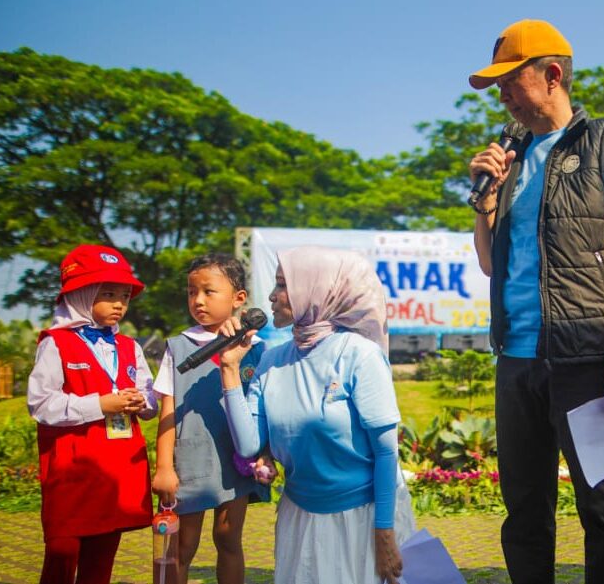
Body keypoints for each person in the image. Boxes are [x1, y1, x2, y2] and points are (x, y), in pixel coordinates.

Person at [467, 18, 604, 584]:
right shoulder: (512, 157)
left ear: (552, 74)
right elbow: (491, 263)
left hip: (586, 360)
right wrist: (484, 202)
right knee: (524, 510)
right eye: (497, 85)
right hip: (517, 359)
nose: (502, 95)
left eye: (511, 80)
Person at [218, 246, 416, 584]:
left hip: (363, 517)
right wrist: (229, 368)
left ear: (315, 290)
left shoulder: (359, 355)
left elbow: (386, 453)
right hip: (300, 517)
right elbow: (249, 445)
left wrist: (384, 532)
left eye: (283, 285)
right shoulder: (272, 360)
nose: (272, 295)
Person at [27, 244, 158, 584]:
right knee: (62, 549)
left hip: (117, 470)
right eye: (109, 294)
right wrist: (100, 404)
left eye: (125, 296)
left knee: (102, 556)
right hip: (72, 468)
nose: (119, 304)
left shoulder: (130, 346)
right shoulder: (56, 343)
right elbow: (40, 403)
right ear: (81, 295)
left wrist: (141, 403)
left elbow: (151, 399)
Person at [150, 253, 270, 584]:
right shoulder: (178, 346)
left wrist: (265, 453)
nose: (198, 300)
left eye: (208, 291)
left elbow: (265, 411)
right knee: (182, 546)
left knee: (228, 539)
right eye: (191, 292)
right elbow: (168, 410)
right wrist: (164, 467)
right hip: (190, 464)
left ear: (239, 298)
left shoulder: (258, 349)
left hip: (236, 463)